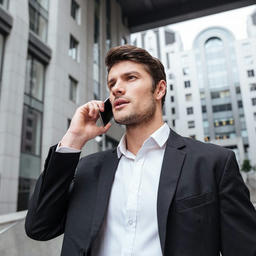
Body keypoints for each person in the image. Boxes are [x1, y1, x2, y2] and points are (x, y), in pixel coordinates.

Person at [25, 45, 256, 256]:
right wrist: (73, 139)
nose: (117, 89)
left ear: (159, 89)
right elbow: (39, 227)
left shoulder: (213, 162)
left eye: (130, 78)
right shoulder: (88, 168)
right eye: (112, 83)